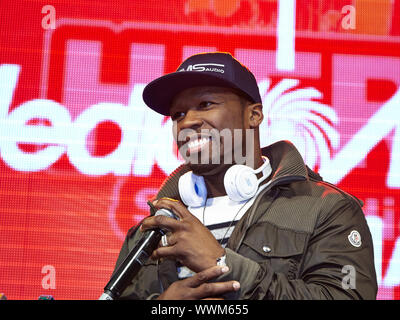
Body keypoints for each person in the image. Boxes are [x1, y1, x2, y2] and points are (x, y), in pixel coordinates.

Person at [112, 52, 377, 300]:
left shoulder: (327, 209)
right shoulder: (150, 230)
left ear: (254, 115)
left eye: (205, 104)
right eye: (178, 114)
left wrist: (224, 265)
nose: (187, 121)